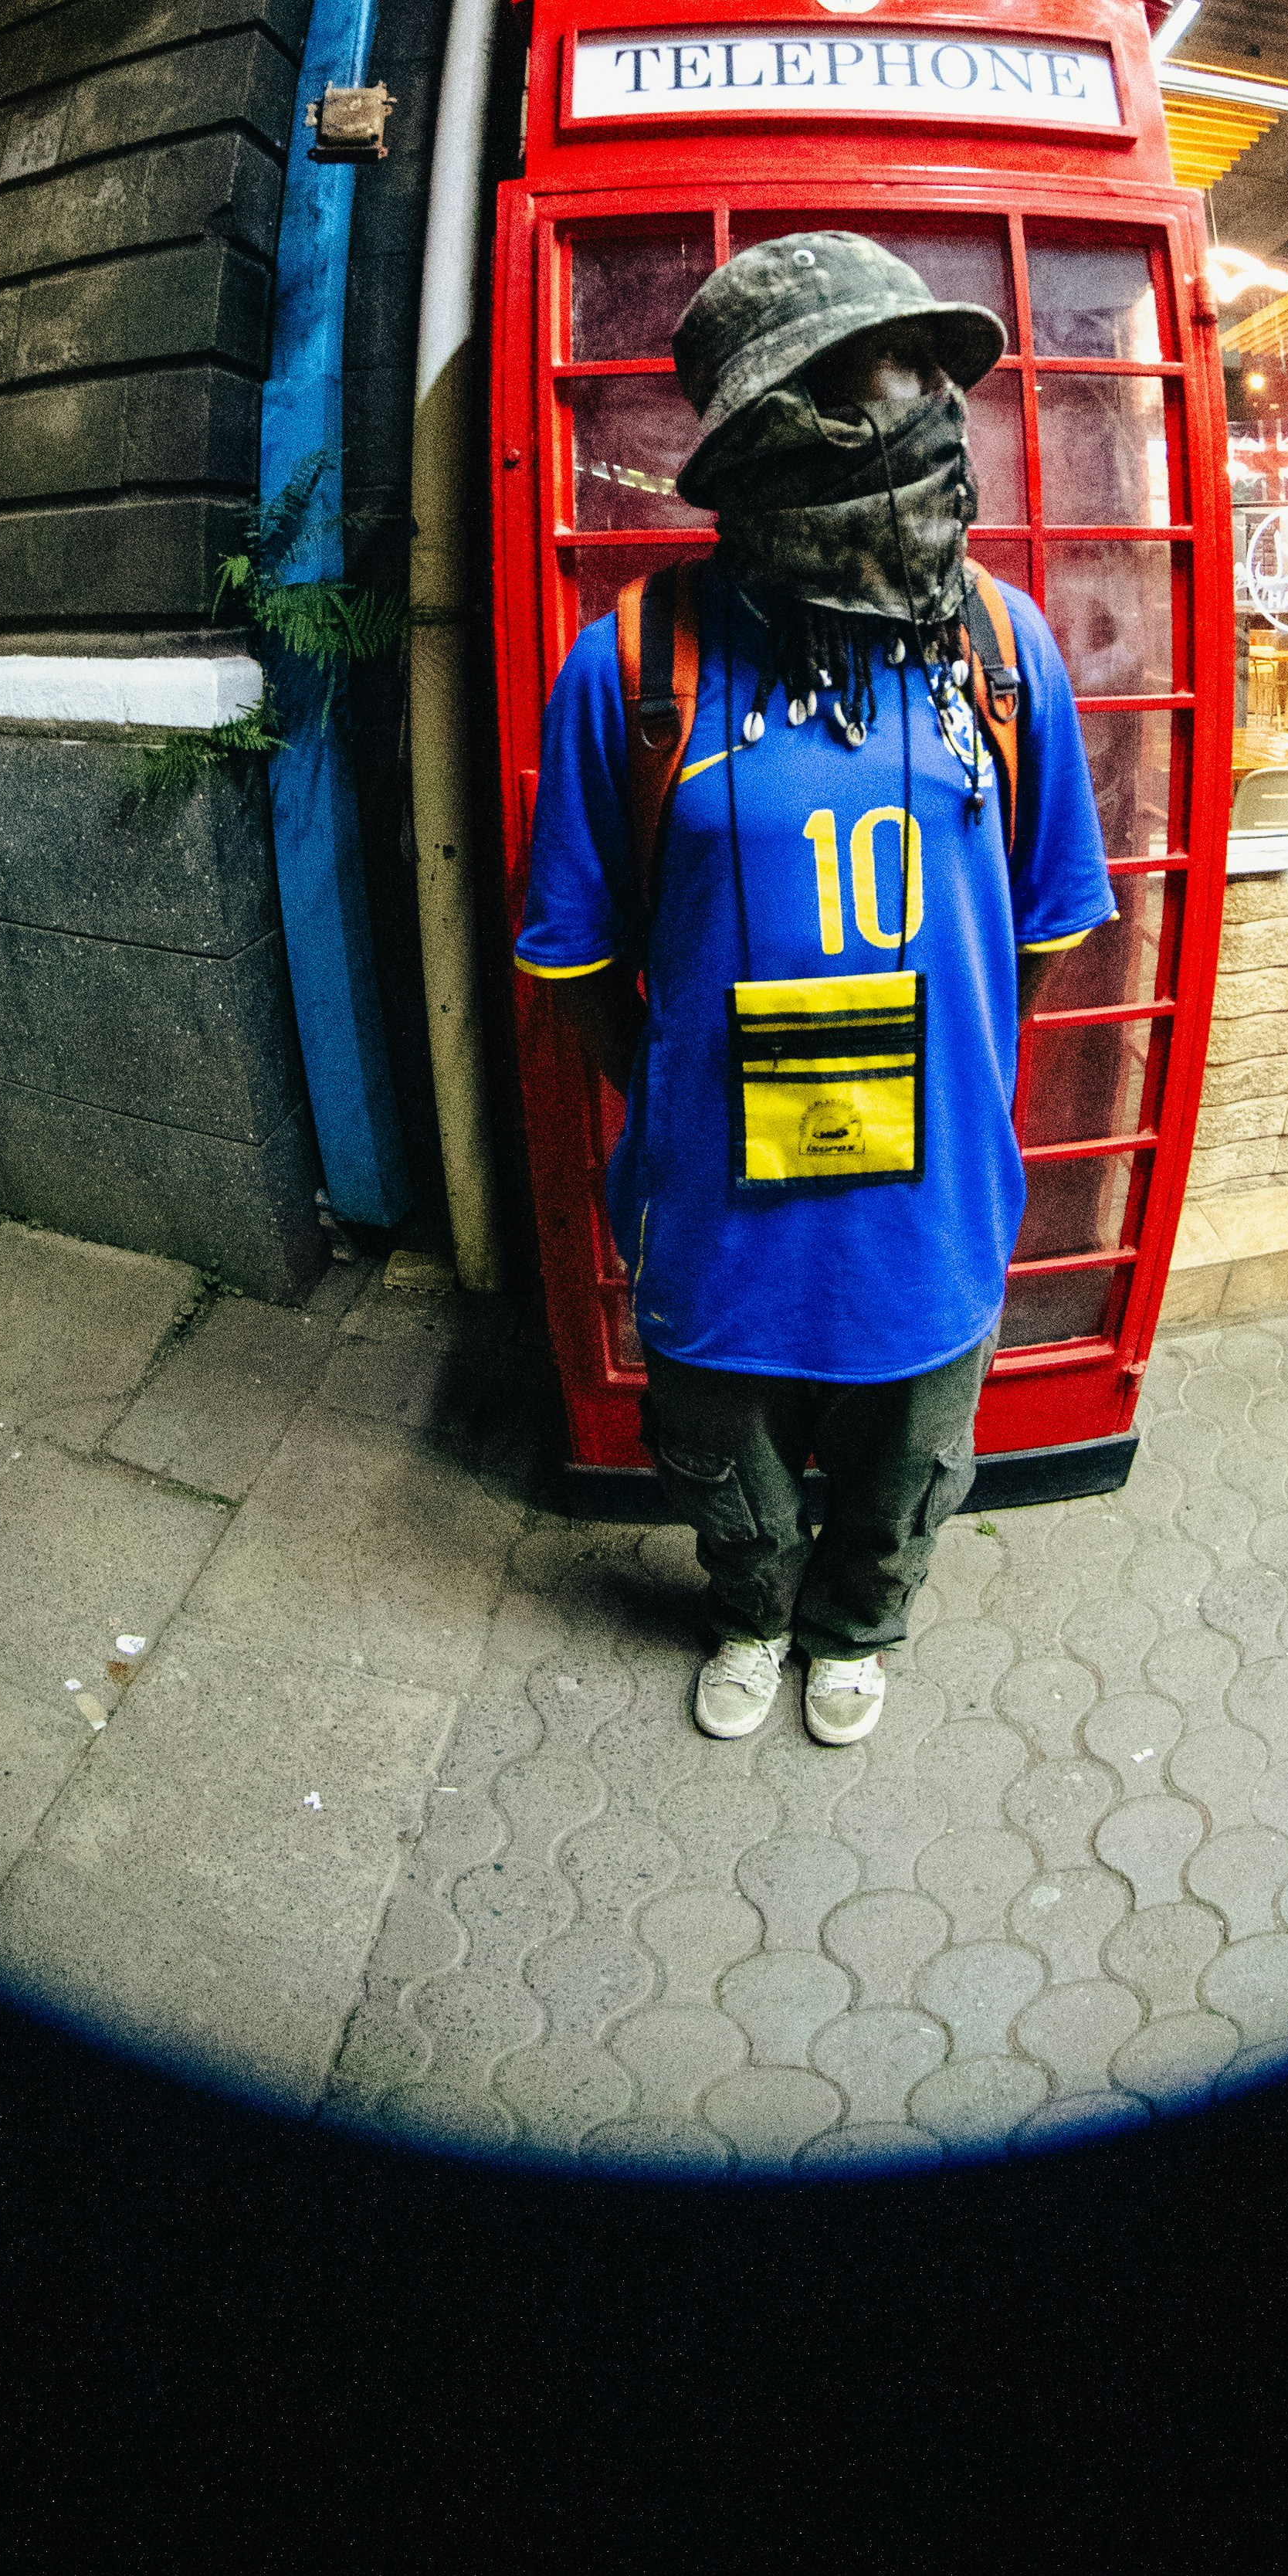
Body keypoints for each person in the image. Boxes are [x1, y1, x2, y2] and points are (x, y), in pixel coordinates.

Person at [516, 233, 1115, 1747]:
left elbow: (1043, 927)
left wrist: (949, 1064)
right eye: (855, 375)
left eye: (919, 369)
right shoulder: (631, 663)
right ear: (757, 431)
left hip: (929, 1195)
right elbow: (579, 962)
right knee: (719, 1452)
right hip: (713, 1201)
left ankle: (858, 1623)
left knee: (913, 1450)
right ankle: (753, 1610)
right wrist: (676, 1097)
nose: (903, 404)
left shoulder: (1002, 645)